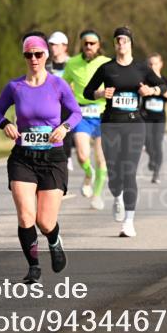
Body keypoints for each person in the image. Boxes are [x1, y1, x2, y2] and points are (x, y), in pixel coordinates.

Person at [0, 35, 81, 283]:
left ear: (46, 56)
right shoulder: (15, 87)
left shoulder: (58, 85)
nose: (33, 59)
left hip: (52, 158)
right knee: (25, 217)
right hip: (23, 157)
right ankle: (33, 267)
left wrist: (64, 128)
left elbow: (76, 112)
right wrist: (5, 123)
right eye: (28, 55)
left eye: (38, 54)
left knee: (44, 221)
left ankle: (54, 239)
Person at [83, 27, 165, 237]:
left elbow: (165, 88)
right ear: (114, 44)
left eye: (125, 41)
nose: (121, 44)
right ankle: (117, 197)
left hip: (135, 125)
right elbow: (87, 92)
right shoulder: (107, 68)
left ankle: (129, 221)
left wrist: (151, 90)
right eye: (118, 41)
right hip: (110, 124)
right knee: (113, 173)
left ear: (131, 44)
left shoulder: (142, 68)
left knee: (129, 172)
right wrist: (100, 92)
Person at [62, 29, 111, 207]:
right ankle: (89, 174)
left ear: (99, 45)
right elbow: (64, 83)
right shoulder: (72, 63)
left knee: (101, 158)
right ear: (82, 45)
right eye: (86, 43)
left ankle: (96, 196)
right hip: (81, 114)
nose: (89, 46)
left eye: (92, 43)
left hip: (103, 113)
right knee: (83, 156)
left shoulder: (107, 63)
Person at [46, 32, 75, 170]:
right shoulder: (46, 66)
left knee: (66, 130)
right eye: (51, 45)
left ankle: (67, 156)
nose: (53, 48)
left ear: (64, 46)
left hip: (68, 104)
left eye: (56, 45)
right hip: (51, 104)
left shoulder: (73, 64)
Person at [142, 54, 167, 183]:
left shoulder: (164, 79)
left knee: (157, 143)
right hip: (146, 116)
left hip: (159, 117)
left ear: (161, 64)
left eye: (155, 63)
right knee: (147, 141)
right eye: (150, 64)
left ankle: (156, 173)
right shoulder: (144, 80)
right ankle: (152, 157)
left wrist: (155, 90)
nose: (153, 66)